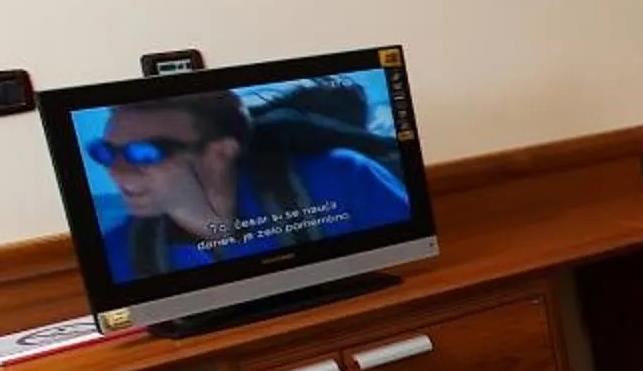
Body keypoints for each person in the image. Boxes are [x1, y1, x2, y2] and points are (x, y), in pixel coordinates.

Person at [90, 88, 411, 281]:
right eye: (103, 152)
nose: (117, 172)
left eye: (143, 153)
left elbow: (407, 265)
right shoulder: (119, 253)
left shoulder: (343, 178)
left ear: (220, 152)